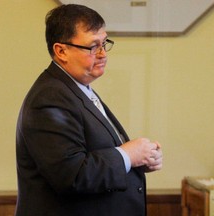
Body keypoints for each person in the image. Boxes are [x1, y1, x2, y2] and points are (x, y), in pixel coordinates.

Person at [15, 4, 163, 216]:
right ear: (61, 51)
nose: (103, 54)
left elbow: (98, 155)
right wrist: (128, 156)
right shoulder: (50, 97)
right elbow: (73, 175)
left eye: (104, 43)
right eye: (93, 47)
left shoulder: (75, 89)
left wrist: (140, 160)